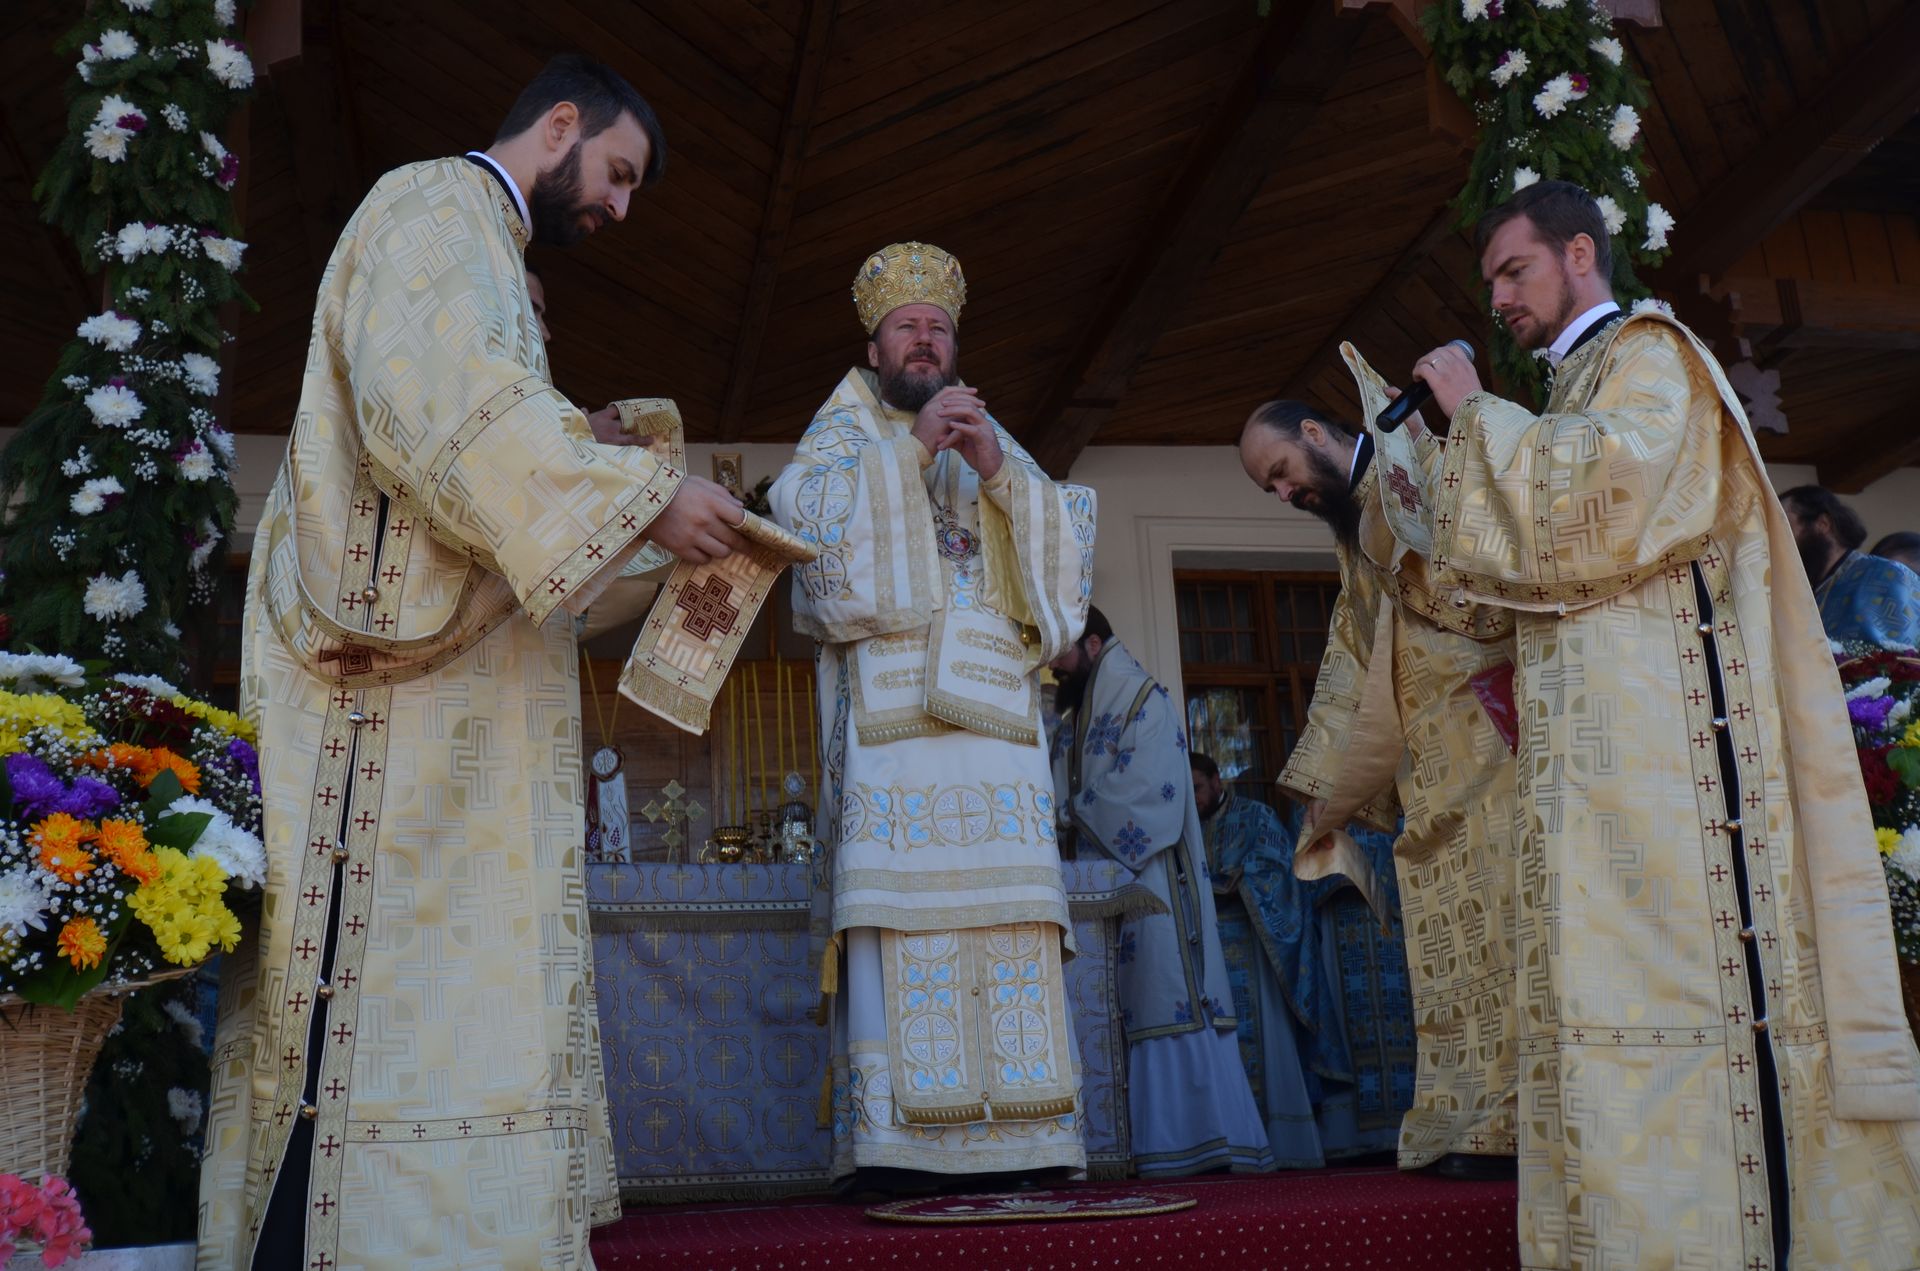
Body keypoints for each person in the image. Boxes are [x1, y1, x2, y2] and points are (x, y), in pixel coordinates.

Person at [198, 56, 752, 1271]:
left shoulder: (490, 250)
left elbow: (489, 481)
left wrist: (610, 473)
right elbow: (444, 413)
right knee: (359, 1040)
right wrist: (644, 492)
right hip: (388, 755)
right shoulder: (432, 205)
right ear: (559, 125)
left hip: (465, 752)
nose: (619, 208)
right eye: (618, 172)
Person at [1405, 177, 1920, 1268]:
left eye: (1514, 269)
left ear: (1581, 253)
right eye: (1490, 277)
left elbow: (1609, 494)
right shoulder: (1571, 384)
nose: (1497, 296)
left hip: (1681, 785)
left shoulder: (1653, 354)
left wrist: (1474, 414)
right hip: (1603, 783)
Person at [768, 241, 1097, 1196]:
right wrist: (910, 453)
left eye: (939, 328)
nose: (925, 339)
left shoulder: (994, 440)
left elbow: (1062, 583)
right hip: (894, 747)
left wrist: (997, 472)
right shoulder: (842, 440)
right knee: (900, 930)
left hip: (996, 745)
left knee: (1010, 924)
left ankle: (1031, 1138)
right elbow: (812, 534)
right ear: (874, 348)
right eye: (908, 326)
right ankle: (900, 1148)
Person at [1239, 397, 1521, 1183]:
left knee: (1504, 934)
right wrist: (1327, 782)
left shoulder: (1417, 467)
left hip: (1490, 748)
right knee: (1448, 950)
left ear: (1318, 435)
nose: (1285, 492)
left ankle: (1514, 1121)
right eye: (1270, 489)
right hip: (1429, 766)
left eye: (1283, 472)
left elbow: (1490, 584)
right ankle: (1466, 1120)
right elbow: (1354, 658)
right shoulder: (1356, 523)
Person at [1049, 609, 1276, 1177]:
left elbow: (1151, 791)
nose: (1054, 666)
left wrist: (1071, 812)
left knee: (1159, 991)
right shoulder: (1080, 712)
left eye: (1063, 652)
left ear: (1094, 644)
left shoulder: (1143, 700)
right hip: (1093, 882)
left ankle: (1189, 1140)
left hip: (1150, 880)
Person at [1191, 753, 1413, 1164]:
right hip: (1317, 928)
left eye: (1198, 788)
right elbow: (1301, 853)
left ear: (1217, 780)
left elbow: (1274, 865)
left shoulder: (1255, 816)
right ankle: (1347, 1138)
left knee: (1395, 1015)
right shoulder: (1310, 797)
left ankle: (1404, 1126)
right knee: (1348, 1023)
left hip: (1384, 924)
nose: (1194, 798)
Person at [1781, 485, 1920, 647]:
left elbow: (1901, 663)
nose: (1778, 543)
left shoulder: (1885, 575)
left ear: (1822, 524)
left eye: (1785, 527)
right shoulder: (1810, 597)